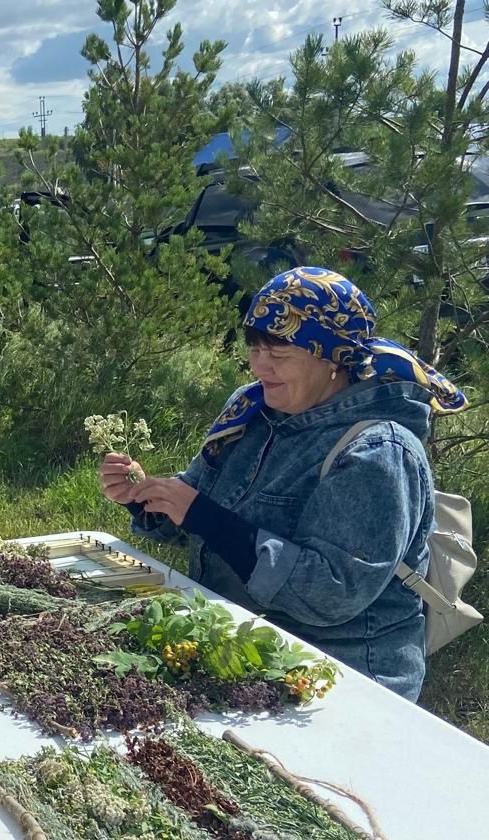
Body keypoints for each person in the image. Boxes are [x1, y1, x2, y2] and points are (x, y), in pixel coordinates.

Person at [100, 267, 467, 701]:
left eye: (280, 351)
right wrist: (145, 497)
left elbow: (331, 593)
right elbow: (194, 511)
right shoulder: (253, 412)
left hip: (341, 678)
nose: (260, 364)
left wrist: (204, 515)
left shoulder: (377, 451)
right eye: (255, 346)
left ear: (332, 358)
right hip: (241, 646)